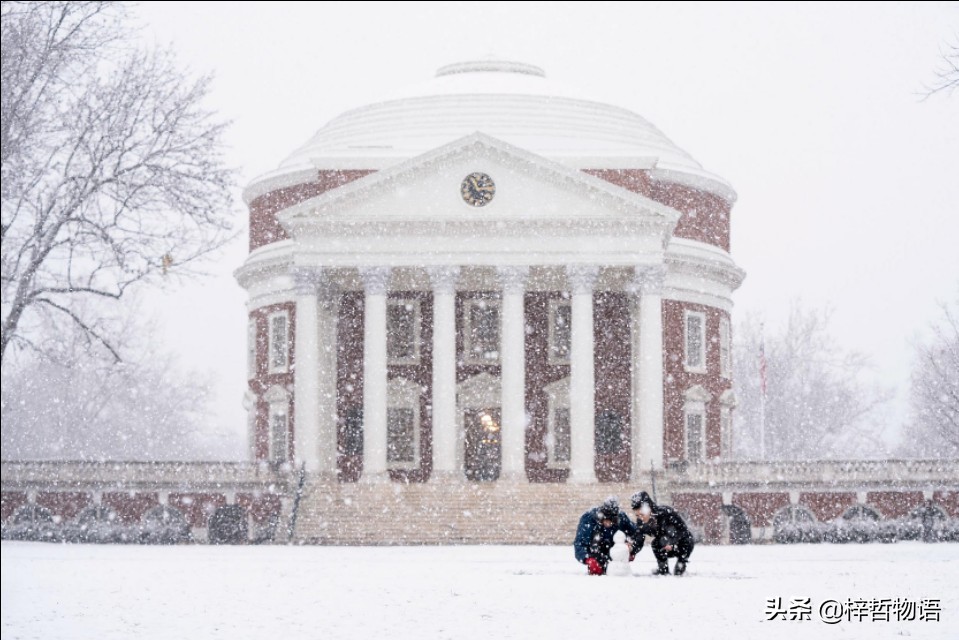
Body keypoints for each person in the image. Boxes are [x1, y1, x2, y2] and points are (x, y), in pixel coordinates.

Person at [630, 491, 694, 576]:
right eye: (637, 516)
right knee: (655, 543)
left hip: (681, 544)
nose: (640, 518)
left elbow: (683, 531)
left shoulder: (666, 513)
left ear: (649, 509)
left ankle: (681, 564)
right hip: (664, 546)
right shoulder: (641, 523)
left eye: (642, 514)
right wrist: (632, 550)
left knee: (678, 571)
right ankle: (663, 569)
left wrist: (671, 542)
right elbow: (639, 538)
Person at [573, 496, 639, 575]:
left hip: (615, 558)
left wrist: (631, 549)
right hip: (595, 553)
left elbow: (637, 534)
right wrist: (588, 559)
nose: (608, 524)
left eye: (612, 521)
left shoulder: (622, 518)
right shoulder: (588, 519)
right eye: (606, 520)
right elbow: (580, 543)